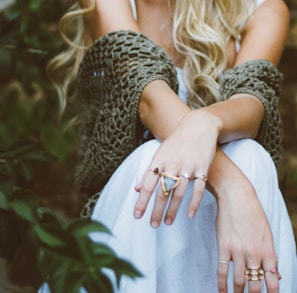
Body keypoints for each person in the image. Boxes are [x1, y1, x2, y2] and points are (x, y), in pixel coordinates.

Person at [42, 0, 297, 292]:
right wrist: (233, 188)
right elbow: (148, 98)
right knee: (153, 155)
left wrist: (205, 122)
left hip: (210, 226)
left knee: (250, 155)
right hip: (139, 213)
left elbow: (252, 105)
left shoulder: (263, 9)